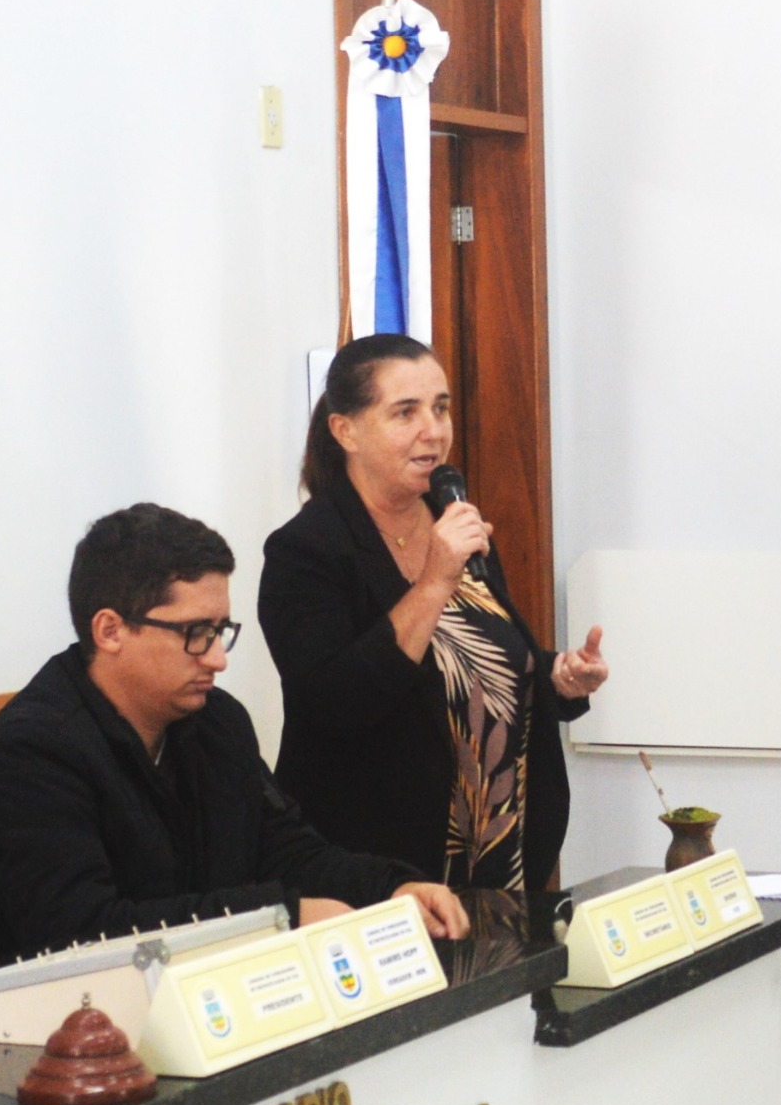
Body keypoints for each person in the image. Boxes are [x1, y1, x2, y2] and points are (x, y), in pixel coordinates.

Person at [0, 503, 471, 969]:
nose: (218, 658)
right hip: (39, 1031)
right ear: (110, 631)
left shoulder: (216, 723)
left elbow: (288, 851)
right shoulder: (31, 754)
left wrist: (392, 887)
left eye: (220, 632)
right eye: (195, 633)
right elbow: (82, 937)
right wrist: (282, 918)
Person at [261, 336, 609, 965]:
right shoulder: (306, 551)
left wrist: (556, 676)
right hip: (383, 871)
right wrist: (433, 581)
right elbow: (336, 702)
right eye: (406, 412)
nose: (434, 431)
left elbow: (479, 660)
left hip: (500, 860)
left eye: (441, 408)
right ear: (345, 430)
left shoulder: (451, 520)